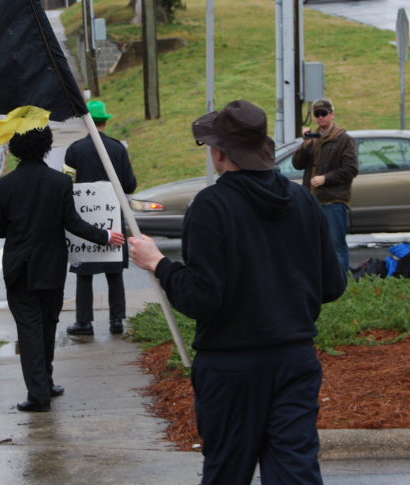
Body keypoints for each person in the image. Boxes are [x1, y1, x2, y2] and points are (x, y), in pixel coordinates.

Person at [128, 99, 347, 485]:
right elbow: (333, 285)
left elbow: (200, 299)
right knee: (294, 473)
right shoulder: (302, 201)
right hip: (295, 361)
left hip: (231, 368)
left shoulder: (211, 206)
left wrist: (158, 264)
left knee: (227, 472)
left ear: (219, 154)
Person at [0, 126, 124, 412]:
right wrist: (105, 235)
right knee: (48, 325)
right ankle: (46, 383)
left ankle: (38, 394)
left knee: (29, 330)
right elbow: (73, 223)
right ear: (46, 146)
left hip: (19, 270)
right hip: (51, 267)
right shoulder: (60, 183)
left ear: (14, 148)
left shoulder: (2, 186)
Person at [64, 100, 137, 336]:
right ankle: (117, 321)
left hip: (83, 219)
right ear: (105, 121)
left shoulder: (74, 150)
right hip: (113, 217)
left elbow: (66, 184)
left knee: (84, 271)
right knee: (114, 271)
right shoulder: (118, 149)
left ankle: (84, 322)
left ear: (87, 123)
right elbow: (130, 185)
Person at [291, 96, 358, 271]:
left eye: (324, 113)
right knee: (312, 245)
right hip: (312, 201)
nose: (320, 117)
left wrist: (325, 178)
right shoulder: (312, 139)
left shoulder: (344, 140)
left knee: (336, 246)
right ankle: (319, 282)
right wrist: (305, 145)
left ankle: (341, 282)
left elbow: (351, 169)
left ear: (332, 115)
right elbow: (297, 164)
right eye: (317, 114)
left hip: (333, 201)